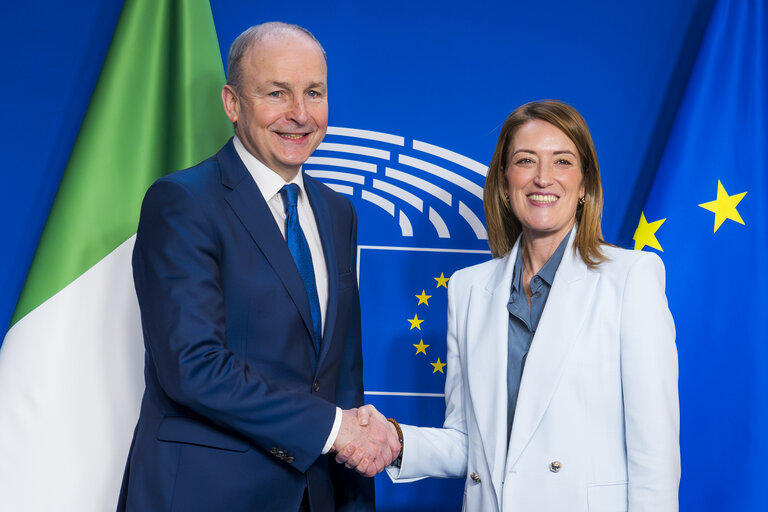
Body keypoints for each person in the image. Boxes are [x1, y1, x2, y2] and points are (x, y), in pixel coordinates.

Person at [117, 22, 399, 512]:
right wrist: (335, 429)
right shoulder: (183, 202)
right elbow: (193, 366)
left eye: (314, 92)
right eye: (277, 93)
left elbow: (341, 377)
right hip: (206, 495)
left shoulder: (338, 213)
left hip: (317, 495)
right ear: (232, 103)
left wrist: (354, 490)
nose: (300, 114)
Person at [344, 100, 680, 511]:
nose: (543, 178)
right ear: (504, 182)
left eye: (561, 161)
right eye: (525, 160)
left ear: (585, 184)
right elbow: (471, 444)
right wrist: (397, 441)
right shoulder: (469, 289)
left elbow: (654, 455)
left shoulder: (630, 278)